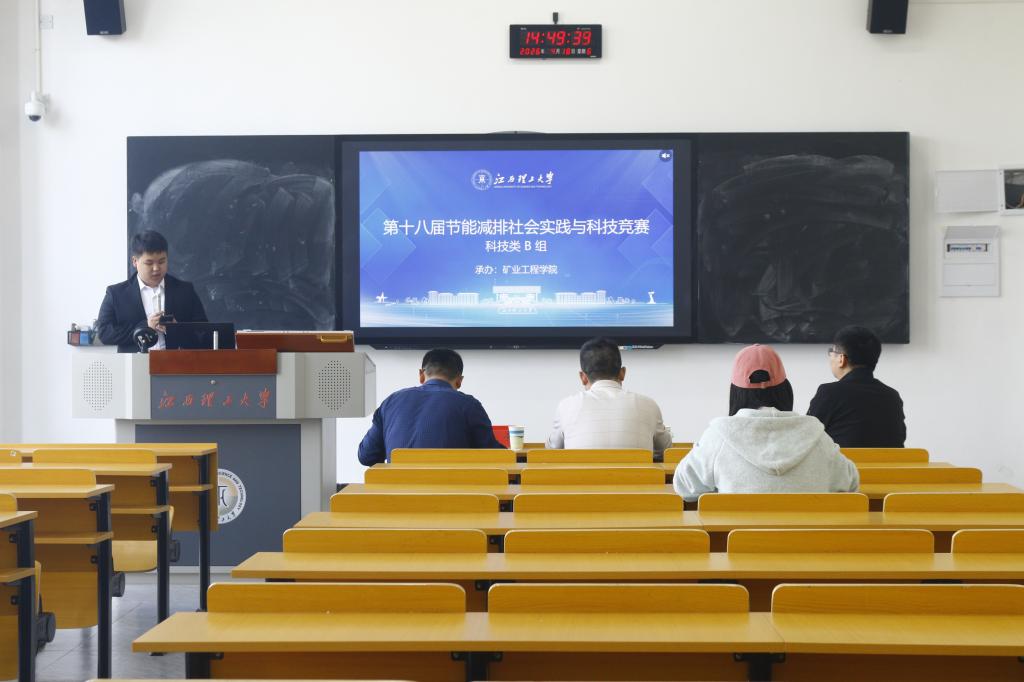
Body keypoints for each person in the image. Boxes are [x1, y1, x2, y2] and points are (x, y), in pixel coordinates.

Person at [673, 344, 858, 502]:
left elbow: (684, 487)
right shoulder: (816, 435)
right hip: (807, 534)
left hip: (739, 534)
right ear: (785, 390)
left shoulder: (718, 435)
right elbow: (850, 483)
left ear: (736, 392)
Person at [357, 348, 506, 465]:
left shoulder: (391, 402)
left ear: (421, 375)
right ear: (459, 381)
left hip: (396, 493)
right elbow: (493, 456)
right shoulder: (469, 405)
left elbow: (366, 456)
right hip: (452, 492)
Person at [545, 337, 672, 456]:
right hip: (634, 474)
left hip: (581, 473)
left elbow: (552, 450)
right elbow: (666, 450)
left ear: (583, 377)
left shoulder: (566, 406)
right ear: (622, 373)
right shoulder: (649, 405)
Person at [96, 230, 207, 352]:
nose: (156, 268)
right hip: (135, 362)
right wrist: (145, 326)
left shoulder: (185, 291)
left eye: (162, 261)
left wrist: (177, 329)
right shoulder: (116, 294)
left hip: (176, 362)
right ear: (135, 261)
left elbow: (204, 333)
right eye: (149, 263)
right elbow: (104, 333)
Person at [807, 325, 906, 447]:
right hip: (888, 460)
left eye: (831, 352)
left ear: (841, 359)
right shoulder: (892, 396)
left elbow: (806, 439)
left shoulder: (829, 393)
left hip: (843, 460)